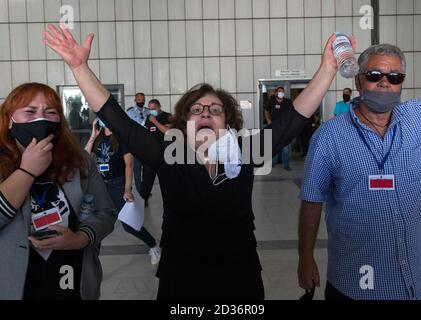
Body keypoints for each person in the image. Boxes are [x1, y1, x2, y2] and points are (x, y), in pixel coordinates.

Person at [44, 24, 338, 300]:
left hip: (239, 278)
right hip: (181, 279)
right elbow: (117, 120)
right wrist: (79, 68)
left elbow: (293, 120)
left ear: (228, 122)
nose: (206, 113)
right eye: (196, 109)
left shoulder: (245, 152)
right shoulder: (166, 153)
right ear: (184, 124)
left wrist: (327, 70)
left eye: (215, 109)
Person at [298, 43, 421, 300]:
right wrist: (305, 259)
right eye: (375, 75)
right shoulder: (329, 136)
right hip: (354, 286)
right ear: (359, 80)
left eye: (395, 77)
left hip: (418, 283)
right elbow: (311, 200)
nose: (385, 83)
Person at [0, 82, 117, 300]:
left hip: (73, 283)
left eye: (50, 112)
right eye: (30, 112)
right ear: (9, 120)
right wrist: (27, 170)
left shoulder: (79, 161)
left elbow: (105, 212)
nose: (41, 119)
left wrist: (80, 238)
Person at [84, 118, 161, 265]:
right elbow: (85, 158)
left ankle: (153, 245)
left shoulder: (121, 138)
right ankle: (92, 258)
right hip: (100, 185)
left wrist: (127, 189)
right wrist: (93, 135)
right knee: (95, 222)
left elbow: (129, 165)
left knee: (128, 224)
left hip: (117, 185)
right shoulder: (99, 137)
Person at [139, 99, 171, 205]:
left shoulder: (167, 116)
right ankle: (143, 202)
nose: (152, 110)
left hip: (165, 156)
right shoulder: (148, 118)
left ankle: (169, 204)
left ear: (159, 107)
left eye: (154, 108)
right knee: (146, 183)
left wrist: (155, 122)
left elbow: (168, 132)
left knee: (167, 183)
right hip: (150, 156)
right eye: (150, 109)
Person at [126, 93, 152, 204]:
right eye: (139, 99)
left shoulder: (148, 112)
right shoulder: (130, 112)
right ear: (135, 100)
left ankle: (144, 192)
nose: (141, 101)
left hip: (147, 146)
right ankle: (141, 195)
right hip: (135, 146)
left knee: (147, 172)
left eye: (143, 99)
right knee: (136, 171)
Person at [265, 86, 293, 170]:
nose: (281, 93)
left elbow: (292, 112)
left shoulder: (288, 102)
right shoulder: (271, 102)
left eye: (282, 91)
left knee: (285, 147)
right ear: (276, 92)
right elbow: (266, 111)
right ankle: (273, 162)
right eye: (279, 91)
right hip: (274, 127)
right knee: (274, 145)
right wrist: (268, 120)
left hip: (285, 127)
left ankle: (286, 165)